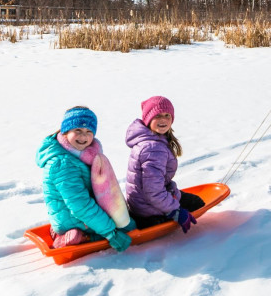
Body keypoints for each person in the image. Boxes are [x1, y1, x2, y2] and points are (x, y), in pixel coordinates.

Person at [36, 106, 135, 251]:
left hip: (72, 213)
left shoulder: (81, 154)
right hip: (71, 218)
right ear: (65, 131)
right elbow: (80, 204)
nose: (83, 137)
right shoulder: (63, 163)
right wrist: (110, 233)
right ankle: (69, 237)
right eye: (78, 131)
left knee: (127, 220)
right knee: (126, 229)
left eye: (89, 132)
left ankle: (77, 233)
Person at [125, 96, 205, 232]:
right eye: (158, 116)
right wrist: (175, 211)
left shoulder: (154, 139)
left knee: (194, 201)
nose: (163, 120)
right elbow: (153, 191)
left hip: (142, 201)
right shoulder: (152, 148)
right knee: (197, 204)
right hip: (147, 208)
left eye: (167, 115)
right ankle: (148, 221)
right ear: (148, 119)